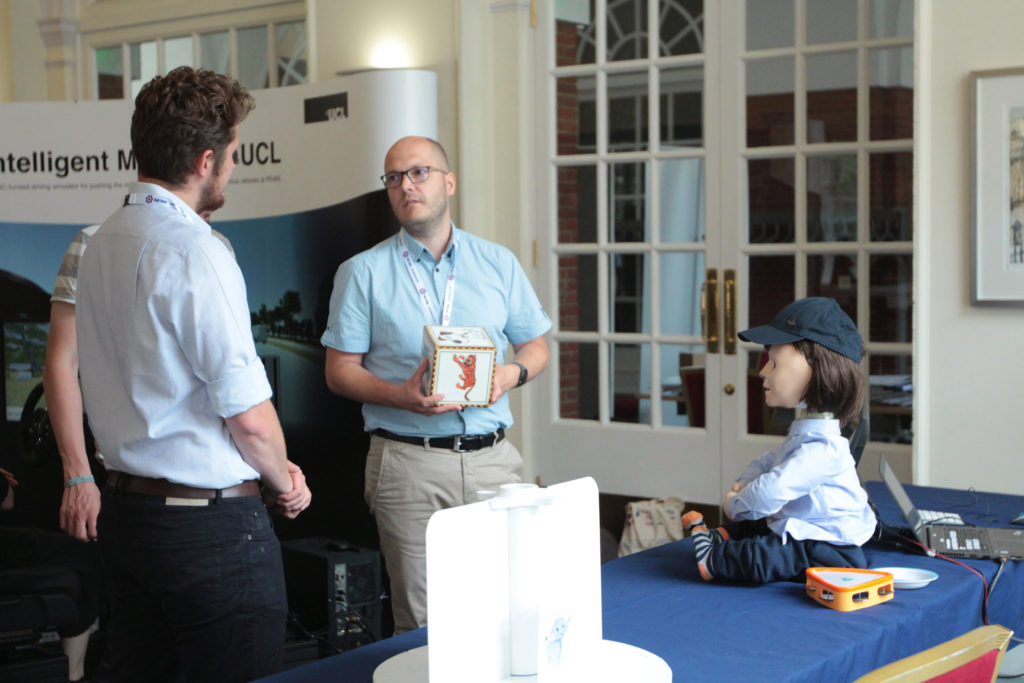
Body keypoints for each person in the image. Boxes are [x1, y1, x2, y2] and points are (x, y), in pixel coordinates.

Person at [74, 66, 310, 682]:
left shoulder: (100, 242)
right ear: (206, 161)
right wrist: (284, 479)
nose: (231, 167)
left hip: (129, 523)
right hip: (209, 533)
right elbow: (249, 418)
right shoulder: (196, 249)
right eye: (232, 155)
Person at [321, 136, 551, 634]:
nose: (406, 186)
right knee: (423, 627)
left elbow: (536, 346)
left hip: (493, 460)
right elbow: (338, 371)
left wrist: (511, 374)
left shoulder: (497, 262)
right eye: (394, 178)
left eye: (419, 172)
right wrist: (399, 396)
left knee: (506, 616)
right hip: (410, 465)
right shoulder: (362, 272)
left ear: (449, 182)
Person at [45, 217, 231, 543]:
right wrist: (77, 476)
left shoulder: (218, 246)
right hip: (132, 485)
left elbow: (227, 374)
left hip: (219, 487)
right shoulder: (93, 241)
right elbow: (62, 362)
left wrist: (271, 462)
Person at [681, 297, 876, 583]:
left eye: (774, 363)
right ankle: (723, 537)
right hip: (807, 527)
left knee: (773, 553)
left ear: (818, 370)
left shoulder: (823, 449)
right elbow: (770, 462)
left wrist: (735, 504)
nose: (763, 371)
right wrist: (747, 481)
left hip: (831, 548)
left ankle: (717, 560)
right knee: (763, 524)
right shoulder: (807, 434)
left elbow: (771, 492)